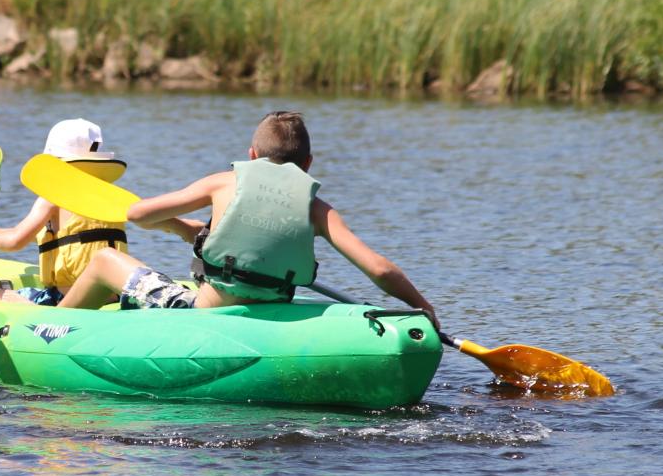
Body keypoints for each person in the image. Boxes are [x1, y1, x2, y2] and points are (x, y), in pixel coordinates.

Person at [56, 111, 438, 327]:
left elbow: (138, 214)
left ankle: (47, 328)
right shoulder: (317, 208)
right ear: (307, 164)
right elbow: (380, 271)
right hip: (271, 311)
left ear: (252, 154)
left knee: (105, 260)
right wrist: (424, 308)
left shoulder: (224, 183)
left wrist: (169, 221)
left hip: (205, 312)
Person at [0, 118, 199, 305]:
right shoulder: (107, 194)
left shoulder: (52, 196)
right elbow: (57, 235)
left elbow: (16, 241)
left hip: (66, 299)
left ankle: (32, 315)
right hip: (111, 295)